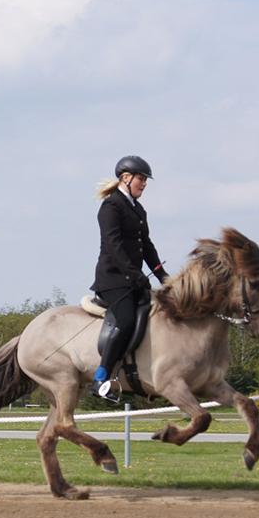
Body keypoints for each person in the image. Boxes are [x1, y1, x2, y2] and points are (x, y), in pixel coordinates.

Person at [90, 155, 170, 399]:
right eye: (141, 179)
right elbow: (114, 246)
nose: (144, 184)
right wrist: (134, 274)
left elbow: (146, 246)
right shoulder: (110, 206)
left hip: (133, 280)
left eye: (145, 180)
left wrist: (163, 277)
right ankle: (100, 378)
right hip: (113, 280)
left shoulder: (138, 209)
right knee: (125, 321)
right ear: (126, 178)